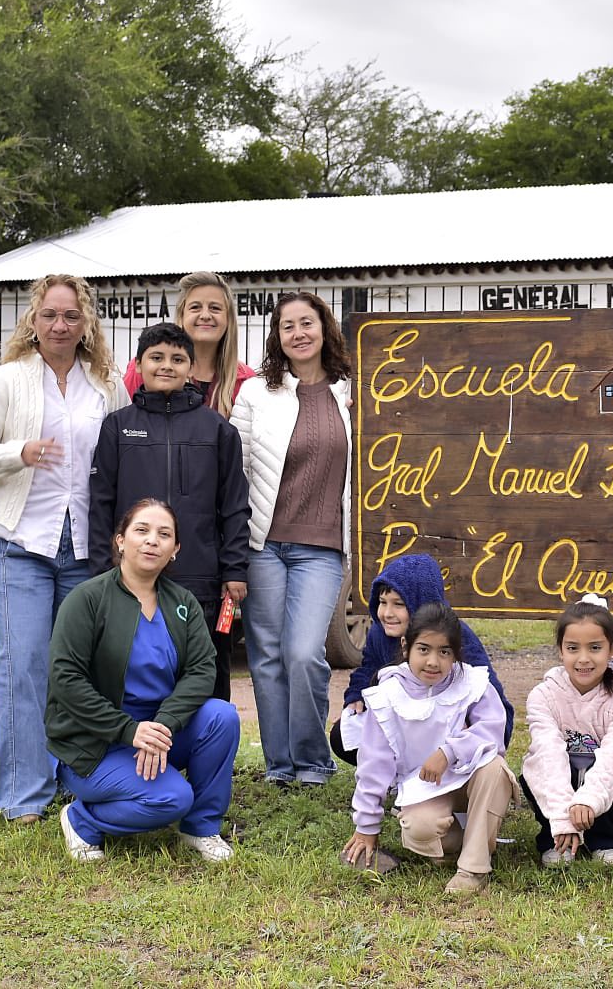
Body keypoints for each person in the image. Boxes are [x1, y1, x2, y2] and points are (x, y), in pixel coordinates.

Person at [0, 274, 129, 823]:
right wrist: (20, 452)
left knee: (81, 670)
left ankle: (79, 782)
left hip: (86, 547)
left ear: (87, 324)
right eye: (51, 314)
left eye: (72, 316)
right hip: (22, 544)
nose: (61, 325)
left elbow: (124, 460)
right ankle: (22, 794)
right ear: (34, 320)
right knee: (24, 664)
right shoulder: (8, 379)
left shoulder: (106, 385)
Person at [48, 498, 239, 863]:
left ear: (175, 550)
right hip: (97, 743)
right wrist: (128, 731)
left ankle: (201, 827)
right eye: (142, 530)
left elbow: (202, 670)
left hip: (158, 735)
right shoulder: (86, 600)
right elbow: (65, 679)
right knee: (173, 798)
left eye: (164, 535)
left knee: (221, 717)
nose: (153, 541)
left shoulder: (181, 602)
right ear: (120, 540)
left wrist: (161, 726)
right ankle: (81, 819)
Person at [89, 323, 251, 701]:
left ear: (191, 368)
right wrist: (102, 569)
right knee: (133, 671)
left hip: (201, 580)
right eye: (156, 358)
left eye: (177, 359)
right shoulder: (117, 427)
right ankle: (137, 753)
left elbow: (234, 505)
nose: (166, 366)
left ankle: (207, 754)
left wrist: (234, 569)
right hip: (129, 579)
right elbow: (99, 504)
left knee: (205, 674)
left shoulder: (217, 430)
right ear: (139, 364)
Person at [230, 291, 353, 786]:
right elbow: (235, 471)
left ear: (324, 329)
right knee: (266, 655)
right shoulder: (257, 393)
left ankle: (312, 760)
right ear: (276, 336)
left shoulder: (354, 391)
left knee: (304, 653)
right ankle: (280, 766)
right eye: (288, 326)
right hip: (264, 543)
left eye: (308, 323)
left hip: (322, 546)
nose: (299, 333)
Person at [340, 603, 518, 895]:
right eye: (424, 649)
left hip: (470, 777)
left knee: (494, 768)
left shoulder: (472, 683)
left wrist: (449, 752)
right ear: (406, 646)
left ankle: (473, 869)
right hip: (425, 786)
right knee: (419, 830)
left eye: (444, 652)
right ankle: (473, 840)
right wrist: (366, 826)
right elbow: (374, 763)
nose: (433, 661)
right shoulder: (388, 695)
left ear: (456, 654)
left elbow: (492, 732)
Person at [331, 552, 513, 765]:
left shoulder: (457, 638)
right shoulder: (379, 634)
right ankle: (400, 773)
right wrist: (356, 696)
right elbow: (368, 668)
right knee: (341, 735)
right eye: (382, 602)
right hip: (408, 724)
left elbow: (490, 694)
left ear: (422, 603)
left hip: (447, 729)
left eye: (398, 604)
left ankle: (445, 775)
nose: (387, 613)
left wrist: (470, 727)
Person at [521, 594, 613, 867]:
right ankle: (555, 838)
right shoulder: (544, 695)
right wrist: (563, 818)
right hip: (560, 776)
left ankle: (606, 839)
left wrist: (588, 800)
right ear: (560, 650)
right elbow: (548, 753)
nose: (583, 659)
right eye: (573, 648)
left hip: (601, 779)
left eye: (595, 648)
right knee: (535, 768)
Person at [122, 271, 256, 418]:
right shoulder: (147, 369)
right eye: (195, 307)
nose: (205, 315)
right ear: (182, 314)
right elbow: (124, 423)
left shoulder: (247, 381)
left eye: (215, 308)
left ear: (229, 319)